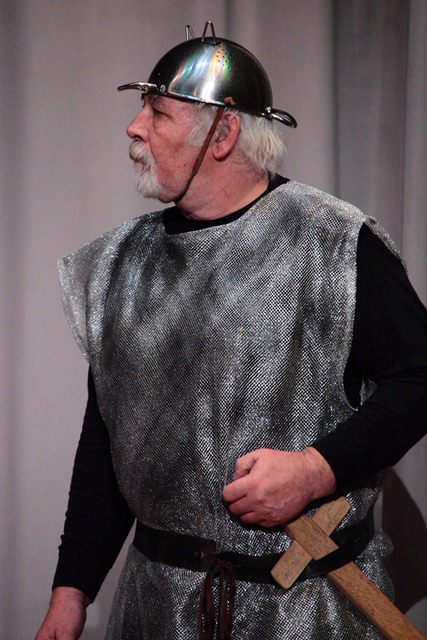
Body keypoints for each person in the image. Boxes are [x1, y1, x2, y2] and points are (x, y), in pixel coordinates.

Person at [35, 22, 427, 640]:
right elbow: (107, 441)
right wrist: (71, 589)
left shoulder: (332, 242)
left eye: (157, 112)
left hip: (305, 610)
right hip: (153, 610)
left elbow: (420, 379)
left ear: (221, 134)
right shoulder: (120, 265)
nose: (134, 127)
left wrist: (316, 469)